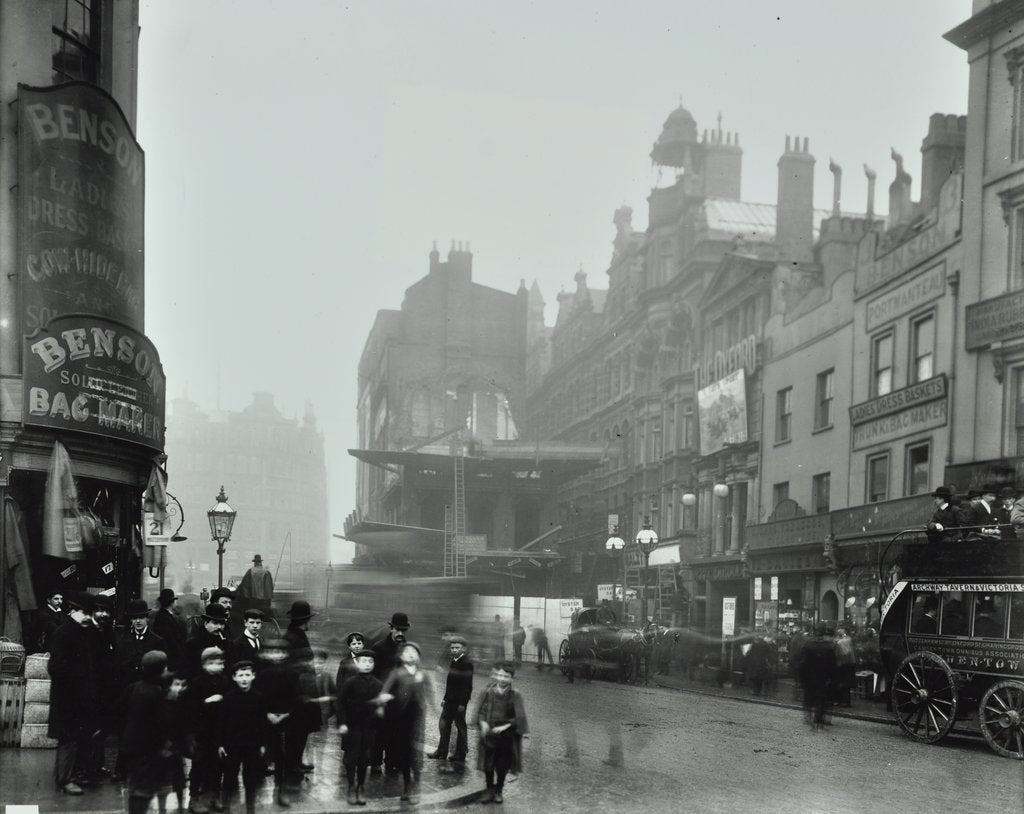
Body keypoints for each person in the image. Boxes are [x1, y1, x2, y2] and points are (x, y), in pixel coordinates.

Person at [48, 591, 101, 796]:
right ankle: (65, 780)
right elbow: (56, 668)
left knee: (73, 737)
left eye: (90, 613)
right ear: (73, 611)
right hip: (67, 697)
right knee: (68, 738)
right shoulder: (64, 633)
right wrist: (77, 684)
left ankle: (65, 776)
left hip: (77, 696)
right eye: (84, 613)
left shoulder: (80, 631)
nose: (88, 617)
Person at [377, 641, 434, 802]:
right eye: (406, 651)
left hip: (417, 717)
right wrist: (383, 701)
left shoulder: (423, 674)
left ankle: (416, 781)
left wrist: (434, 709)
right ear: (401, 656)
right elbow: (385, 690)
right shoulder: (397, 673)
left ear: (418, 656)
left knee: (416, 749)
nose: (410, 654)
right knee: (404, 750)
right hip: (401, 717)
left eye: (414, 652)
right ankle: (407, 787)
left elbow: (429, 694)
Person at [120, 650, 171, 814]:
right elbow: (161, 724)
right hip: (148, 750)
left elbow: (118, 710)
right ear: (160, 671)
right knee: (144, 789)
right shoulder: (157, 693)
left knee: (135, 786)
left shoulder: (133, 687)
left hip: (130, 746)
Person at [218, 661, 267, 814]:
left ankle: (250, 809)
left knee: (250, 778)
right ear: (234, 677)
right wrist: (221, 744)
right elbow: (222, 722)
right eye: (240, 675)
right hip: (232, 745)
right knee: (229, 777)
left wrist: (262, 744)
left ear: (253, 676)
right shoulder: (229, 698)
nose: (244, 679)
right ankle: (226, 807)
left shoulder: (259, 697)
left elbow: (262, 723)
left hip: (252, 745)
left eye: (247, 675)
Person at [476, 661, 528, 804]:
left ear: (511, 679)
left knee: (502, 764)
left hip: (506, 736)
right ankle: (489, 789)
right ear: (495, 676)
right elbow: (481, 711)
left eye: (506, 677)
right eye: (499, 675)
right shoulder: (488, 691)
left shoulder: (515, 695)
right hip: (490, 734)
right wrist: (483, 722)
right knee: (488, 764)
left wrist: (505, 726)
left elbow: (519, 717)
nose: (502, 679)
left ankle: (499, 790)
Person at [184, 646, 229, 814]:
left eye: (219, 663)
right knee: (198, 765)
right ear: (204, 664)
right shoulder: (196, 683)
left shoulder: (225, 682)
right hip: (202, 732)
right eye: (211, 663)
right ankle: (193, 796)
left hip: (219, 731)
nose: (216, 667)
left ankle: (215, 796)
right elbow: (189, 707)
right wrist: (207, 701)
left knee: (218, 765)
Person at [336, 649, 383, 806]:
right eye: (364, 661)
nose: (367, 664)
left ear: (374, 664)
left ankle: (361, 787)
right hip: (352, 726)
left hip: (369, 728)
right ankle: (350, 787)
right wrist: (342, 723)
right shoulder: (350, 682)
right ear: (358, 663)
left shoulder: (378, 684)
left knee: (364, 758)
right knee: (351, 758)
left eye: (370, 662)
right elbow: (340, 704)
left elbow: (381, 706)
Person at [254, 638, 296, 808]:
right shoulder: (262, 674)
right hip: (266, 718)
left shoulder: (292, 674)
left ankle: (281, 788)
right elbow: (258, 697)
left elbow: (295, 696)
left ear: (286, 654)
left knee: (282, 755)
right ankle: (255, 787)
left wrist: (286, 713)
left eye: (279, 652)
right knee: (261, 750)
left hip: (285, 718)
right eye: (272, 652)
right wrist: (267, 713)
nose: (276, 656)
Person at [282, 600, 320, 787]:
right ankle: (291, 765)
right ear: (304, 621)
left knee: (301, 731)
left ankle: (295, 762)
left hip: (302, 693)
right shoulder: (292, 638)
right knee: (295, 733)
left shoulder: (297, 635)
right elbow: (290, 669)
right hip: (297, 695)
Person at [84, 593, 119, 785]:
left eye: (106, 611)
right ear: (93, 612)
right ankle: (88, 769)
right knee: (91, 730)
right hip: (92, 689)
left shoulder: (107, 631)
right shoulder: (88, 631)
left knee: (101, 730)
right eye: (99, 610)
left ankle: (97, 766)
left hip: (105, 689)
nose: (103, 614)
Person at [370, 612, 411, 774]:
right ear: (391, 628)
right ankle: (375, 762)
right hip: (382, 697)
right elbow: (373, 674)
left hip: (400, 699)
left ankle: (392, 762)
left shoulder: (408, 649)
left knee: (397, 733)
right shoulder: (379, 647)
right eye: (397, 630)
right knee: (380, 732)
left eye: (403, 630)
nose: (400, 633)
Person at [427, 634, 473, 763]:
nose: (454, 650)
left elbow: (467, 686)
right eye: (452, 648)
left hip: (459, 703)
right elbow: (450, 683)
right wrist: (445, 698)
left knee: (460, 726)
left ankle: (461, 753)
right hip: (449, 701)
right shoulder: (454, 661)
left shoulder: (467, 664)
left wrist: (463, 703)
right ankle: (441, 752)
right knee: (443, 726)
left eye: (457, 648)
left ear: (464, 649)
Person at [800, 622, 837, 730]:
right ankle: (818, 720)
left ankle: (808, 718)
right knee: (821, 699)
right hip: (823, 677)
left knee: (808, 697)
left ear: (814, 631)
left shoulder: (807, 644)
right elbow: (833, 664)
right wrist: (832, 678)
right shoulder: (829, 646)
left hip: (809, 676)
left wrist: (802, 677)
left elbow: (802, 663)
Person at [185, 604, 233, 677]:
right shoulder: (193, 644)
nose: (219, 627)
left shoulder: (227, 644)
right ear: (206, 623)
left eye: (222, 623)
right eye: (215, 623)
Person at [153, 589, 188, 671]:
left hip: (169, 655)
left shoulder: (163, 616)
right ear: (172, 602)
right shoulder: (164, 617)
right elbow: (170, 640)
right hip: (171, 656)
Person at [37, 588, 65, 652]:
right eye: (56, 599)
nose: (60, 601)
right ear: (49, 600)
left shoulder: (61, 612)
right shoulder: (44, 614)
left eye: (61, 599)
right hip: (48, 646)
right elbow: (55, 630)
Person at [834, 627, 856, 707]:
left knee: (841, 683)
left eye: (840, 630)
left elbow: (839, 654)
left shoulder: (840, 642)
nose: (838, 631)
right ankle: (846, 701)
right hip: (849, 664)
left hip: (842, 664)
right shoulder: (849, 639)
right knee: (846, 684)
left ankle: (841, 701)